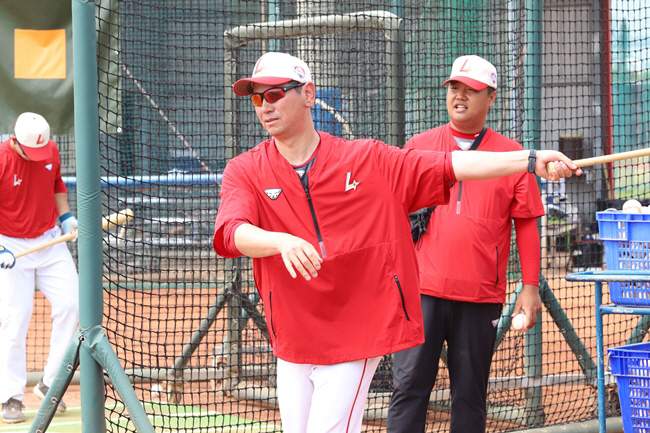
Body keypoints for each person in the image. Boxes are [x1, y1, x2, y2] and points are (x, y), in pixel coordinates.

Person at [212, 52, 580, 433]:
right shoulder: (245, 169)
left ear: (308, 94)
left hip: (352, 334)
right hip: (292, 337)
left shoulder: (365, 158)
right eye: (257, 98)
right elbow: (229, 232)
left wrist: (528, 160)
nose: (264, 107)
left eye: (274, 94)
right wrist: (279, 241)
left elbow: (450, 166)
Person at [387, 55, 547, 433]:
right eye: (454, 88)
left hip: (480, 296)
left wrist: (530, 285)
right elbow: (391, 214)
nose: (460, 96)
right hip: (420, 290)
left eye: (471, 90)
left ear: (491, 98)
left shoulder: (513, 156)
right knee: (408, 387)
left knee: (470, 395)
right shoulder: (418, 147)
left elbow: (526, 223)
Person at [0, 112, 79, 424]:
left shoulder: (50, 148)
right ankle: (10, 396)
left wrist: (65, 217)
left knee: (73, 305)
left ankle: (51, 384)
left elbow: (57, 181)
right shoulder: (2, 160)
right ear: (16, 141)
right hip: (11, 245)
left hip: (49, 240)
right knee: (14, 320)